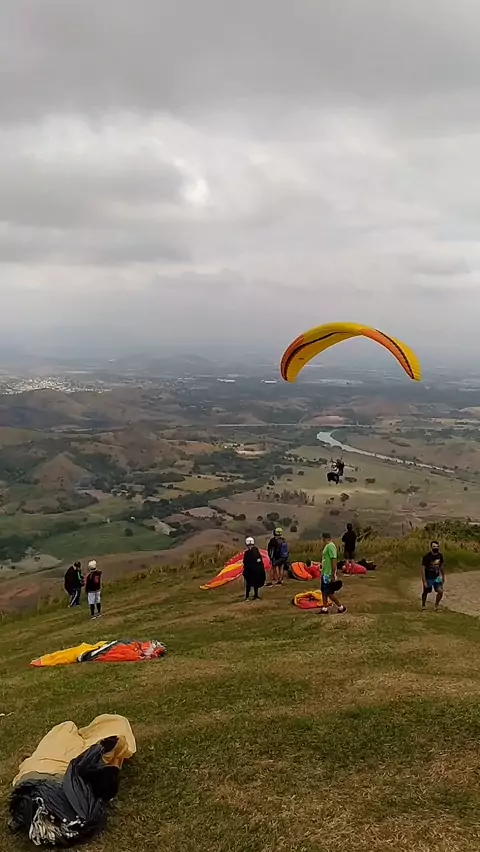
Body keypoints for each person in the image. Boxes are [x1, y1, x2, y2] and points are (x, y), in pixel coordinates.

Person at [319, 532, 347, 615]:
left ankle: (341, 607)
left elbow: (333, 560)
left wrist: (333, 573)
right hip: (324, 571)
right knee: (323, 590)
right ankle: (324, 608)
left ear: (325, 538)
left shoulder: (331, 546)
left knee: (329, 592)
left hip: (328, 572)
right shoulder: (327, 546)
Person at [421, 541, 445, 611]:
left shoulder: (440, 556)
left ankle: (436, 606)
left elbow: (441, 566)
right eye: (434, 546)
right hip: (428, 577)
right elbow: (423, 569)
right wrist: (424, 581)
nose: (436, 548)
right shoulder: (427, 557)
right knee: (426, 591)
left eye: (437, 546)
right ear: (431, 547)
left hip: (437, 577)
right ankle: (423, 605)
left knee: (440, 591)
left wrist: (443, 576)